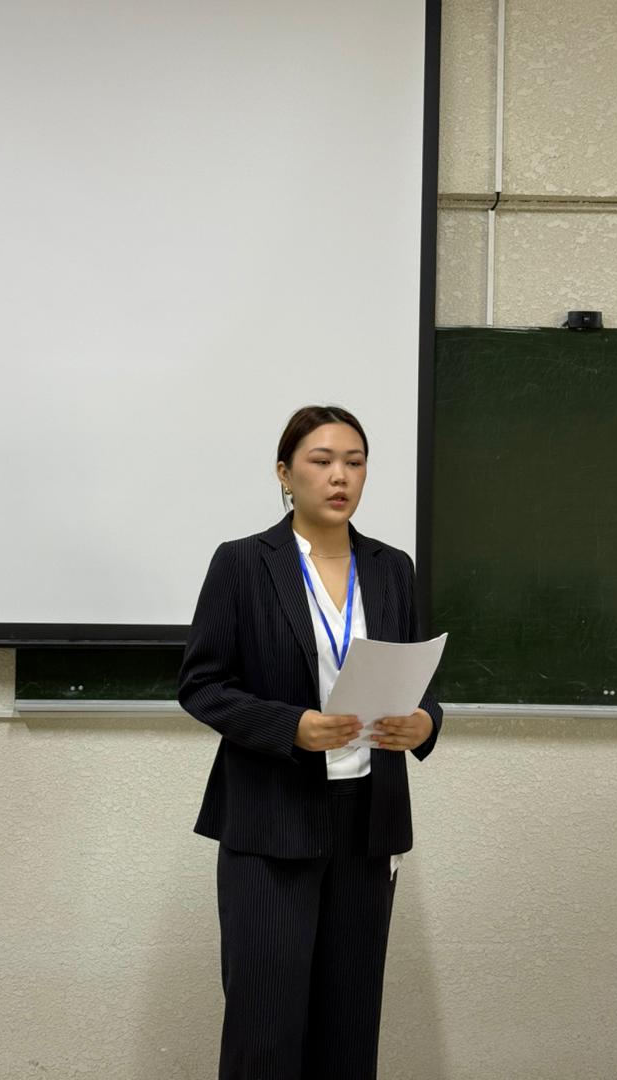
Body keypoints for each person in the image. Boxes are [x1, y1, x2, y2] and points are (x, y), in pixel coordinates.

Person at [178, 404, 443, 1080]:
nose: (340, 477)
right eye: (321, 461)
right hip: (271, 822)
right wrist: (292, 726)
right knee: (265, 1031)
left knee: (349, 1032)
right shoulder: (243, 563)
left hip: (367, 825)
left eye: (354, 462)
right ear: (284, 474)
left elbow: (415, 676)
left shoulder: (391, 567)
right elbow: (202, 685)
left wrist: (425, 722)